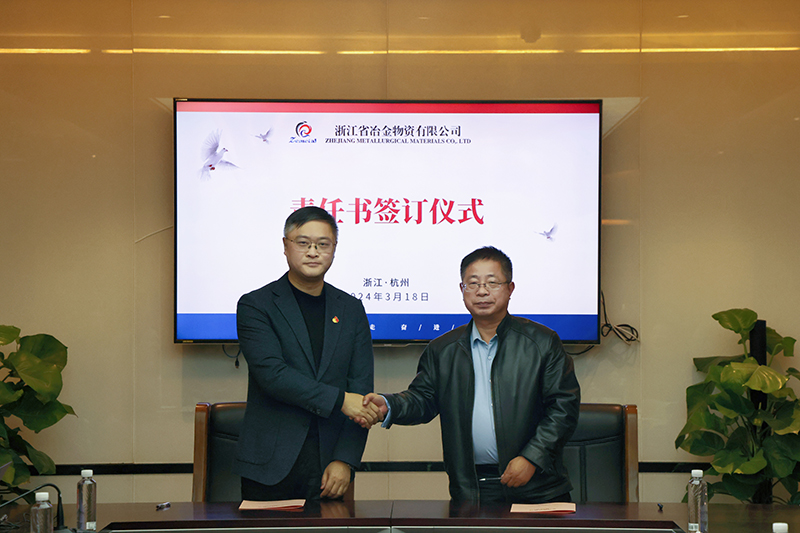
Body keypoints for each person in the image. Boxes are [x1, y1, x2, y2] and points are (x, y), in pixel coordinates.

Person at [360, 246, 580, 505]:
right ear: (462, 289)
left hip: (538, 486)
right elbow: (423, 399)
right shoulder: (442, 350)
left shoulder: (542, 343)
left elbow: (563, 407)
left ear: (510, 289)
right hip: (473, 489)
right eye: (473, 283)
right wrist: (389, 405)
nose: (482, 291)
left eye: (492, 283)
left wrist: (532, 457)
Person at [233, 206, 380, 501]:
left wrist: (346, 459)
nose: (313, 252)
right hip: (269, 465)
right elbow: (273, 376)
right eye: (303, 243)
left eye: (323, 244)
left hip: (331, 466)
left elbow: (361, 391)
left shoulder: (350, 310)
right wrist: (340, 400)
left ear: (334, 249)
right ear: (285, 246)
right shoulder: (256, 305)